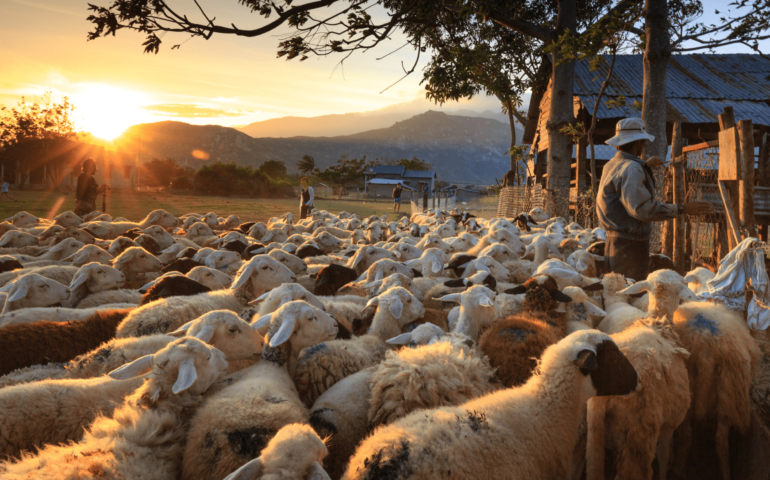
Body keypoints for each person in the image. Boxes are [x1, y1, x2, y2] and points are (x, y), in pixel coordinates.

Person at [597, 117, 713, 282]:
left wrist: (644, 164)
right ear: (638, 144)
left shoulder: (612, 164)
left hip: (613, 243)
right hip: (630, 248)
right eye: (643, 142)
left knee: (616, 293)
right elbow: (642, 209)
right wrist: (682, 208)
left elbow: (624, 181)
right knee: (631, 294)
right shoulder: (632, 169)